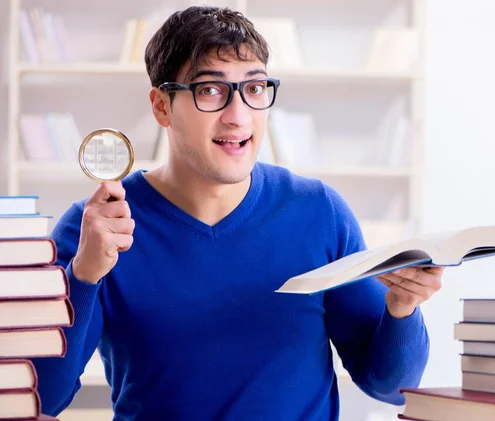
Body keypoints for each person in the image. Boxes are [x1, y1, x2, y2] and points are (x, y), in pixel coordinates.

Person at [33, 5, 444, 421]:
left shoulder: (319, 212)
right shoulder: (95, 229)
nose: (239, 116)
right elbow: (41, 399)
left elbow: (391, 387)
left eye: (254, 88)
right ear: (161, 106)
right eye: (210, 90)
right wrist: (83, 276)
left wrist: (402, 309)